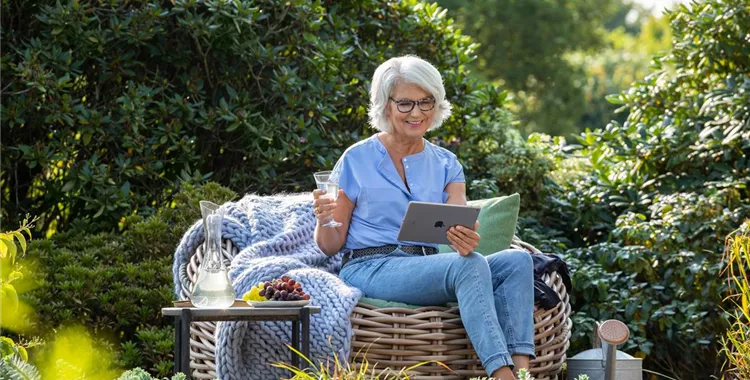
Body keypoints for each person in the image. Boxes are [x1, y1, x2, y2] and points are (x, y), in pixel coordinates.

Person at [312, 55, 534, 380]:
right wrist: (323, 218)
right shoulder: (356, 159)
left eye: (425, 102)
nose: (416, 113)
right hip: (371, 267)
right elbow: (331, 246)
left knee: (518, 261)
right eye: (405, 104)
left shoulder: (447, 163)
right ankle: (502, 375)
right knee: (470, 265)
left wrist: (466, 237)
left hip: (426, 265)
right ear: (386, 105)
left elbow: (460, 221)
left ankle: (524, 372)